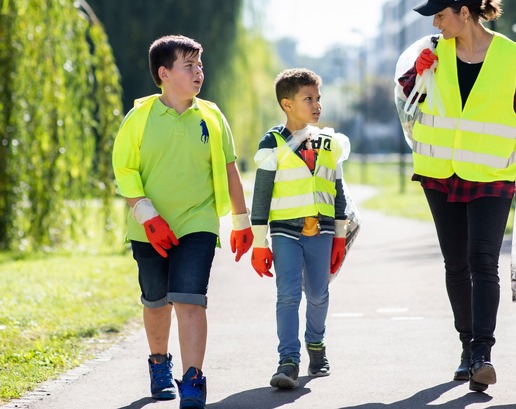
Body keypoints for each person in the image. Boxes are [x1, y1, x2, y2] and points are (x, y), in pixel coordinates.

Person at [394, 0, 516, 392]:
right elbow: (408, 105)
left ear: (464, 12)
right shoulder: (431, 53)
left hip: (493, 175)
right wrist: (416, 76)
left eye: (440, 15)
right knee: (456, 263)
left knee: (482, 261)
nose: (435, 24)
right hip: (440, 174)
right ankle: (465, 349)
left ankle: (482, 353)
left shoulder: (511, 57)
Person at [112, 34, 253, 409]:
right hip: (149, 226)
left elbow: (229, 169)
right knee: (156, 301)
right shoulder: (139, 117)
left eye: (200, 65)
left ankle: (193, 378)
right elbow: (123, 169)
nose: (199, 72)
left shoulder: (212, 116)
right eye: (189, 65)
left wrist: (241, 220)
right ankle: (160, 364)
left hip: (197, 223)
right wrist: (146, 215)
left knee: (190, 300)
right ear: (164, 73)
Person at [249, 68, 350, 390]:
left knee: (319, 295)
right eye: (309, 99)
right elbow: (261, 194)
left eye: (318, 98)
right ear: (287, 104)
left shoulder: (331, 142)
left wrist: (340, 236)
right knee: (288, 295)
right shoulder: (272, 142)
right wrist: (259, 242)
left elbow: (338, 191)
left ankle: (316, 345)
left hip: (321, 232)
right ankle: (288, 360)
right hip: (284, 232)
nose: (317, 105)